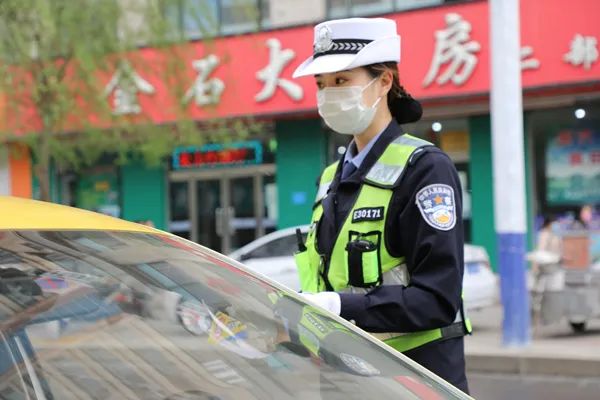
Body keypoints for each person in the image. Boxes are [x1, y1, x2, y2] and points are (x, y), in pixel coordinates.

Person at [291, 17, 470, 392]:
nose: (328, 95)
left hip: (413, 378)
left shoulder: (425, 169)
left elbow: (437, 298)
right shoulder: (329, 179)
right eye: (321, 85)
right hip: (345, 377)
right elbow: (327, 278)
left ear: (384, 81)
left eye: (342, 81)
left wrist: (342, 307)